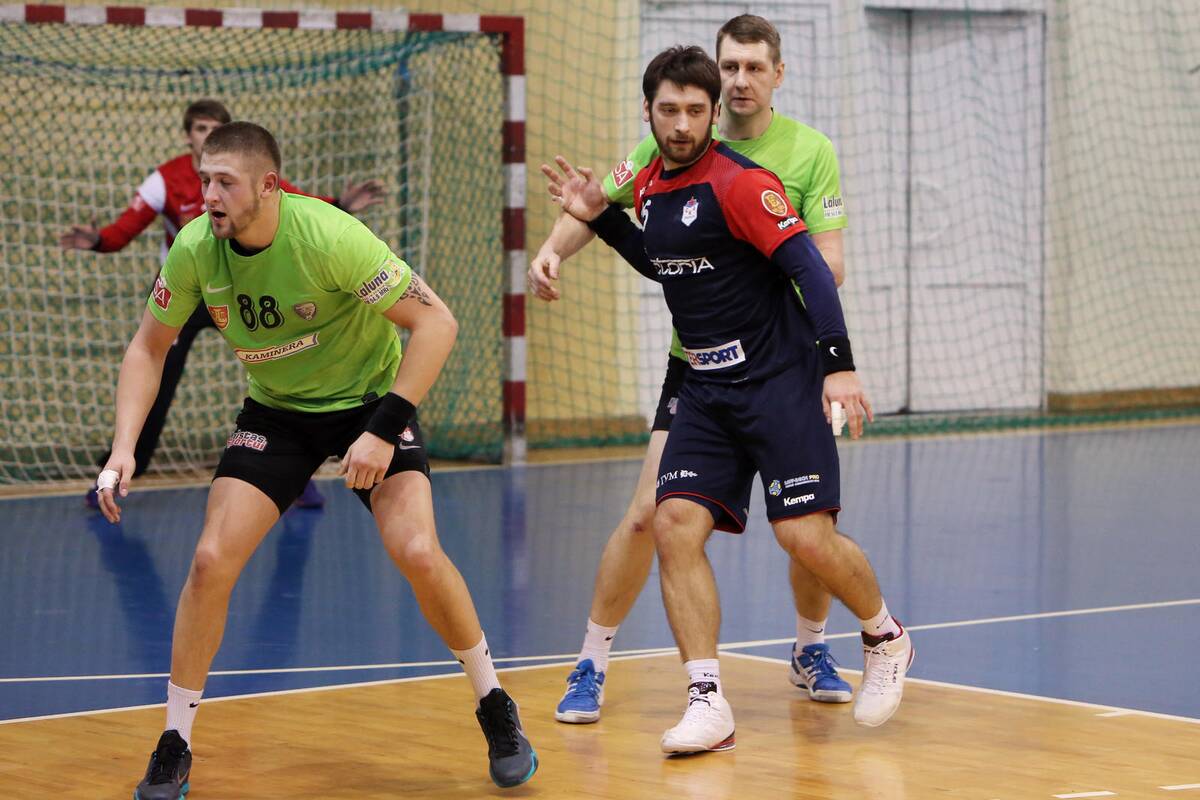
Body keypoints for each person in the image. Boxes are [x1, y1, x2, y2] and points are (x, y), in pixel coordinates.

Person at [95, 122, 537, 797]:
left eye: (224, 183)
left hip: (369, 404)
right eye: (205, 180)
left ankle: (495, 705)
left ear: (268, 186)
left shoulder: (329, 237)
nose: (208, 196)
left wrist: (382, 430)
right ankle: (174, 741)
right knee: (211, 561)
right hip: (277, 413)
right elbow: (147, 348)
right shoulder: (195, 248)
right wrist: (124, 447)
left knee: (417, 550)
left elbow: (437, 323)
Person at [546, 46, 913, 751]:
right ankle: (707, 701)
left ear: (714, 114)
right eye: (668, 110)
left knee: (802, 536)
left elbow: (811, 268)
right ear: (648, 112)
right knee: (673, 523)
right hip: (705, 387)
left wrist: (838, 366)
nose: (682, 124)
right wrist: (603, 218)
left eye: (695, 110)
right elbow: (667, 264)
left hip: (781, 380)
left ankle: (885, 635)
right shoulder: (651, 186)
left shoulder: (742, 183)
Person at [65, 99, 385, 510]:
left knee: (281, 365)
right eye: (200, 128)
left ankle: (294, 469)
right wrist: (99, 240)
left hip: (243, 287)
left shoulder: (248, 178)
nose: (206, 136)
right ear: (188, 136)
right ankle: (123, 466)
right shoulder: (165, 180)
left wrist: (339, 203)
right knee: (157, 373)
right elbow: (126, 228)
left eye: (214, 128)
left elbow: (297, 203)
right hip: (190, 290)